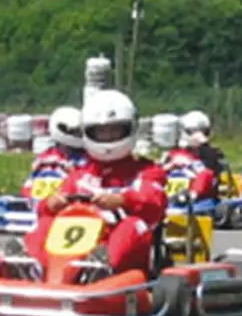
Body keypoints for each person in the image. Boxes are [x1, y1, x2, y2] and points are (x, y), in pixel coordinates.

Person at [21, 89, 167, 275]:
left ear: (129, 129)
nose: (107, 137)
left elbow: (154, 204)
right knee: (47, 222)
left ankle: (101, 268)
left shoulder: (146, 171)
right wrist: (50, 204)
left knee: (132, 224)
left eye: (114, 130)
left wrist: (123, 201)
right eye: (101, 132)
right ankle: (33, 266)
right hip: (80, 239)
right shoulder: (80, 174)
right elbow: (49, 206)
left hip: (123, 249)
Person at [160, 110, 220, 208]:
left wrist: (190, 164)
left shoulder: (210, 153)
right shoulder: (171, 154)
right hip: (170, 196)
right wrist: (170, 166)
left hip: (199, 199)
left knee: (206, 175)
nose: (199, 136)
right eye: (194, 132)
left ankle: (189, 197)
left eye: (204, 132)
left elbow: (209, 175)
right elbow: (157, 172)